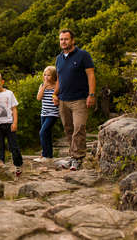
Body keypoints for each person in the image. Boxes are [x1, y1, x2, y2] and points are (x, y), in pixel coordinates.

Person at [52, 29, 96, 171]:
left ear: (72, 40)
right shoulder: (59, 58)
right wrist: (55, 94)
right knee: (69, 130)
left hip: (79, 99)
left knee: (79, 127)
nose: (63, 42)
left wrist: (92, 94)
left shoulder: (83, 55)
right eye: (61, 39)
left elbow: (91, 75)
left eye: (66, 39)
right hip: (63, 100)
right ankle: (72, 157)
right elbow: (59, 79)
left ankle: (77, 158)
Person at [0, 68, 23, 176]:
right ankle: (0, 166)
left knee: (13, 146)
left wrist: (15, 123)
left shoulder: (9, 94)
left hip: (9, 123)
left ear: (2, 82)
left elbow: (14, 109)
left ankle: (18, 165)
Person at [34, 66, 60, 162]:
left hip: (53, 114)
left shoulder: (57, 86)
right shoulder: (42, 85)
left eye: (48, 75)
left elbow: (59, 99)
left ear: (53, 76)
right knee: (47, 134)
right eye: (45, 75)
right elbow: (38, 98)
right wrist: (44, 87)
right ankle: (49, 155)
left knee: (42, 132)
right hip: (44, 113)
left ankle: (45, 155)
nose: (46, 77)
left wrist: (57, 100)